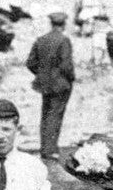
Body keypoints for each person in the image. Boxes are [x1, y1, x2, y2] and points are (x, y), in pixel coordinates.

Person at [25, 9, 75, 161]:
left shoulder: (41, 39)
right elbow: (66, 66)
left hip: (44, 84)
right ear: (63, 24)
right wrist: (71, 78)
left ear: (51, 24)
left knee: (46, 115)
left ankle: (45, 148)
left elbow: (30, 63)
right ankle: (50, 150)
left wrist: (41, 74)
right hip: (60, 85)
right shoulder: (64, 40)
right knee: (55, 115)